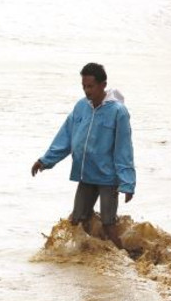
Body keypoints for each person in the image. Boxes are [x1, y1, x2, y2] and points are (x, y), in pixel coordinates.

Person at [31, 63, 135, 249]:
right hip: (86, 175)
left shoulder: (118, 112)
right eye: (84, 86)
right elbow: (66, 137)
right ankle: (85, 260)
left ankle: (127, 263)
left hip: (108, 178)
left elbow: (124, 150)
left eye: (91, 86)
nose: (87, 91)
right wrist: (45, 161)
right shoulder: (81, 107)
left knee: (108, 224)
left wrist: (127, 182)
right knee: (76, 221)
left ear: (103, 85)